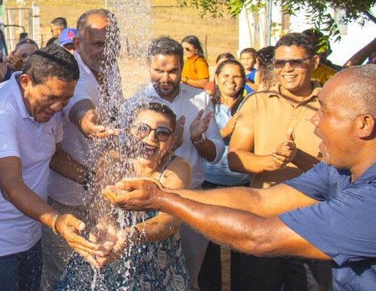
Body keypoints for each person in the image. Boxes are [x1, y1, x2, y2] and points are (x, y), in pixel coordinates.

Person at [105, 65, 376, 291]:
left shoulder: (370, 202)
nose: (315, 120)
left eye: (325, 111)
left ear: (364, 124)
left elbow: (260, 237)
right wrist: (160, 194)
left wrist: (161, 199)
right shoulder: (337, 169)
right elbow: (259, 200)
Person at [0, 45, 100, 291]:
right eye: (51, 98)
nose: (58, 107)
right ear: (25, 81)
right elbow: (11, 186)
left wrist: (93, 180)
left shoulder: (46, 107)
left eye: (65, 100)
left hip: (31, 236)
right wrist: (57, 221)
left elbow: (53, 156)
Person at [227, 32, 329, 290]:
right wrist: (269, 161)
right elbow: (235, 159)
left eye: (296, 62)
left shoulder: (330, 105)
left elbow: (341, 171)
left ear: (314, 62)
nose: (287, 69)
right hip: (264, 220)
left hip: (313, 222)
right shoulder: (257, 102)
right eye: (280, 63)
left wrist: (299, 158)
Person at [55, 102, 192, 290]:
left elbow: (170, 221)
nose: (151, 138)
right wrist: (105, 222)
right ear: (129, 132)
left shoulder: (177, 169)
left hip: (156, 263)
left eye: (162, 133)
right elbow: (100, 207)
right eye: (143, 129)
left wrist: (129, 235)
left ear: (171, 141)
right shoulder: (114, 160)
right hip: (110, 253)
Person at [124, 36, 224, 290]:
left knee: (187, 279)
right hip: (142, 206)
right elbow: (124, 153)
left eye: (172, 71)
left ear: (182, 67)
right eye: (159, 71)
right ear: (149, 67)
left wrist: (197, 139)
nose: (165, 78)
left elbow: (214, 154)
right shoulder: (133, 105)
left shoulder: (200, 100)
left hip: (189, 201)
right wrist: (168, 145)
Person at [41, 9, 124, 290]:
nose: (107, 51)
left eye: (113, 44)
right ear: (77, 44)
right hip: (67, 202)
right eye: (99, 44)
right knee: (64, 278)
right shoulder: (71, 74)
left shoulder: (110, 70)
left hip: (101, 198)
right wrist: (88, 123)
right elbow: (81, 107)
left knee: (98, 275)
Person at [198, 59, 251, 290]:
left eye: (237, 76)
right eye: (225, 76)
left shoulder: (250, 106)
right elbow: (201, 139)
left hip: (242, 184)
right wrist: (227, 130)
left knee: (242, 246)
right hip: (209, 183)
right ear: (217, 78)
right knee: (209, 247)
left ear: (244, 79)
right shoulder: (206, 105)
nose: (231, 81)